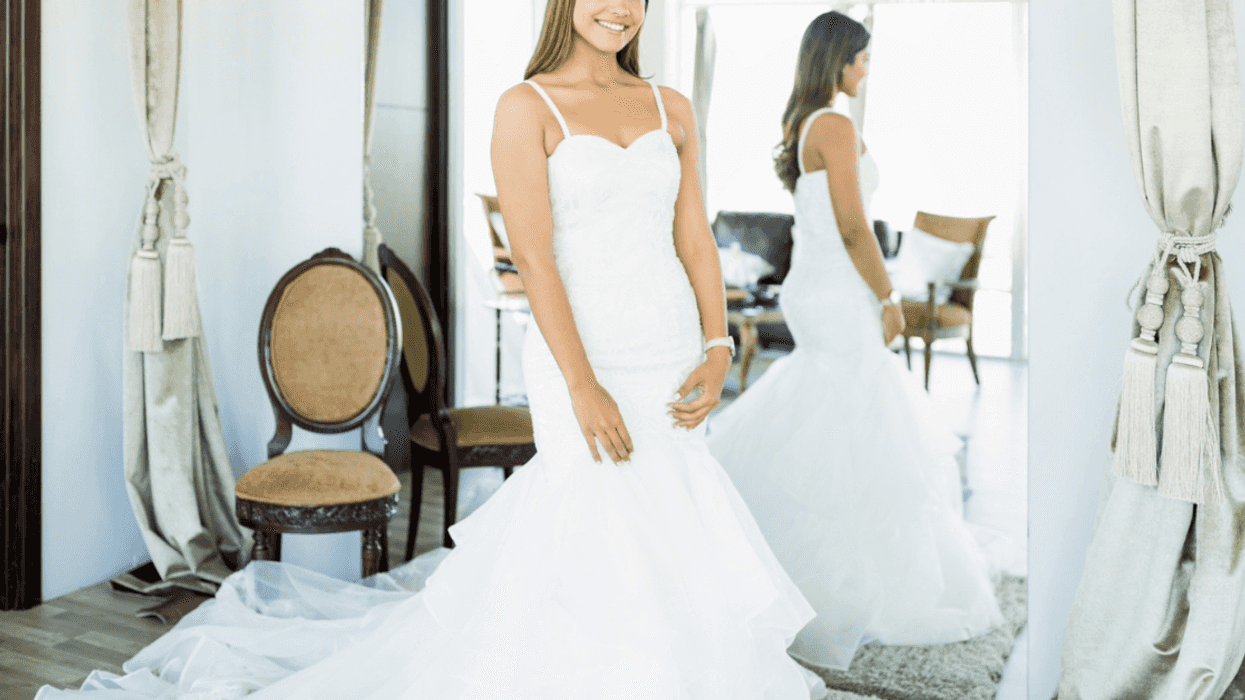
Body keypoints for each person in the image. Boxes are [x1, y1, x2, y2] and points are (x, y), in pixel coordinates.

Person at [35, 1, 828, 698]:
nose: (619, 8)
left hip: (667, 348)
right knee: (594, 514)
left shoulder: (671, 106)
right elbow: (537, 258)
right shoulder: (526, 106)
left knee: (670, 513)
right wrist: (581, 385)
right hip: (578, 355)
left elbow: (693, 235)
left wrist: (719, 343)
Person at [706, 10, 1006, 672]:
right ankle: (842, 577)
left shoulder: (801, 121)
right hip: (838, 292)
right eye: (862, 58)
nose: (866, 69)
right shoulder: (834, 124)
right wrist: (888, 297)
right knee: (854, 417)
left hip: (812, 288)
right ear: (838, 58)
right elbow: (850, 226)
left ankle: (796, 556)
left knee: (829, 413)